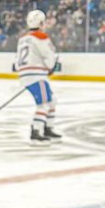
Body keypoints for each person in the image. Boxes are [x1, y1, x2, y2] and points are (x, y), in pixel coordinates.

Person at [15, 10, 62, 145]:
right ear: (41, 23)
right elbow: (48, 56)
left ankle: (48, 128)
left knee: (52, 100)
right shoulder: (41, 37)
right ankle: (36, 131)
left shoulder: (23, 38)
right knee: (44, 103)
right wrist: (51, 66)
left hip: (27, 74)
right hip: (36, 75)